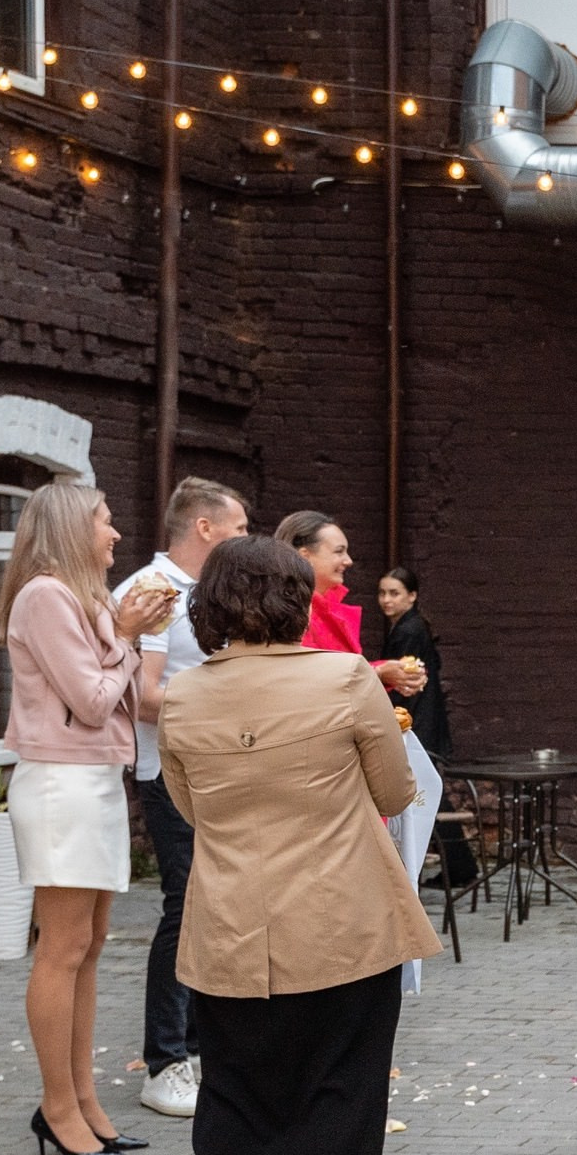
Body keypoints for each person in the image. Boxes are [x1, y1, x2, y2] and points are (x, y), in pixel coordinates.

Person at [158, 536, 442, 1155]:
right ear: (295, 601)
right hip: (339, 917)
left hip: (228, 924)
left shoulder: (184, 696)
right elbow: (394, 786)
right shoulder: (344, 678)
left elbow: (187, 807)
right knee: (344, 1086)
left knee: (231, 1090)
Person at [0, 481, 172, 1155]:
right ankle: (57, 1106)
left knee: (91, 941)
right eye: (105, 520)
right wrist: (127, 637)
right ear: (74, 528)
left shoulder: (85, 598)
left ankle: (84, 1099)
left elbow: (117, 690)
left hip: (91, 780)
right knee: (62, 945)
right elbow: (94, 700)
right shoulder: (45, 596)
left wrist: (129, 632)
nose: (116, 534)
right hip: (60, 784)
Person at [120, 477, 250, 1118]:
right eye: (240, 526)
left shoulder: (207, 591)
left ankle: (199, 1050)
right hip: (170, 772)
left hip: (217, 770)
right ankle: (164, 1060)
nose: (245, 537)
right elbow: (140, 695)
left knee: (215, 908)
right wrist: (221, 705)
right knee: (186, 907)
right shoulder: (153, 591)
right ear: (205, 527)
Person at [271, 510, 426, 704]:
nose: (348, 560)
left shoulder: (319, 607)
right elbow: (310, 677)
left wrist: (385, 671)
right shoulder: (293, 612)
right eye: (339, 551)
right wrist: (378, 673)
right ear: (305, 556)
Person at [376, 567, 453, 761]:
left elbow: (403, 681)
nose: (386, 600)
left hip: (416, 718)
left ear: (412, 596)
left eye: (394, 593)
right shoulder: (412, 625)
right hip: (424, 716)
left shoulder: (408, 631)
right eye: (382, 593)